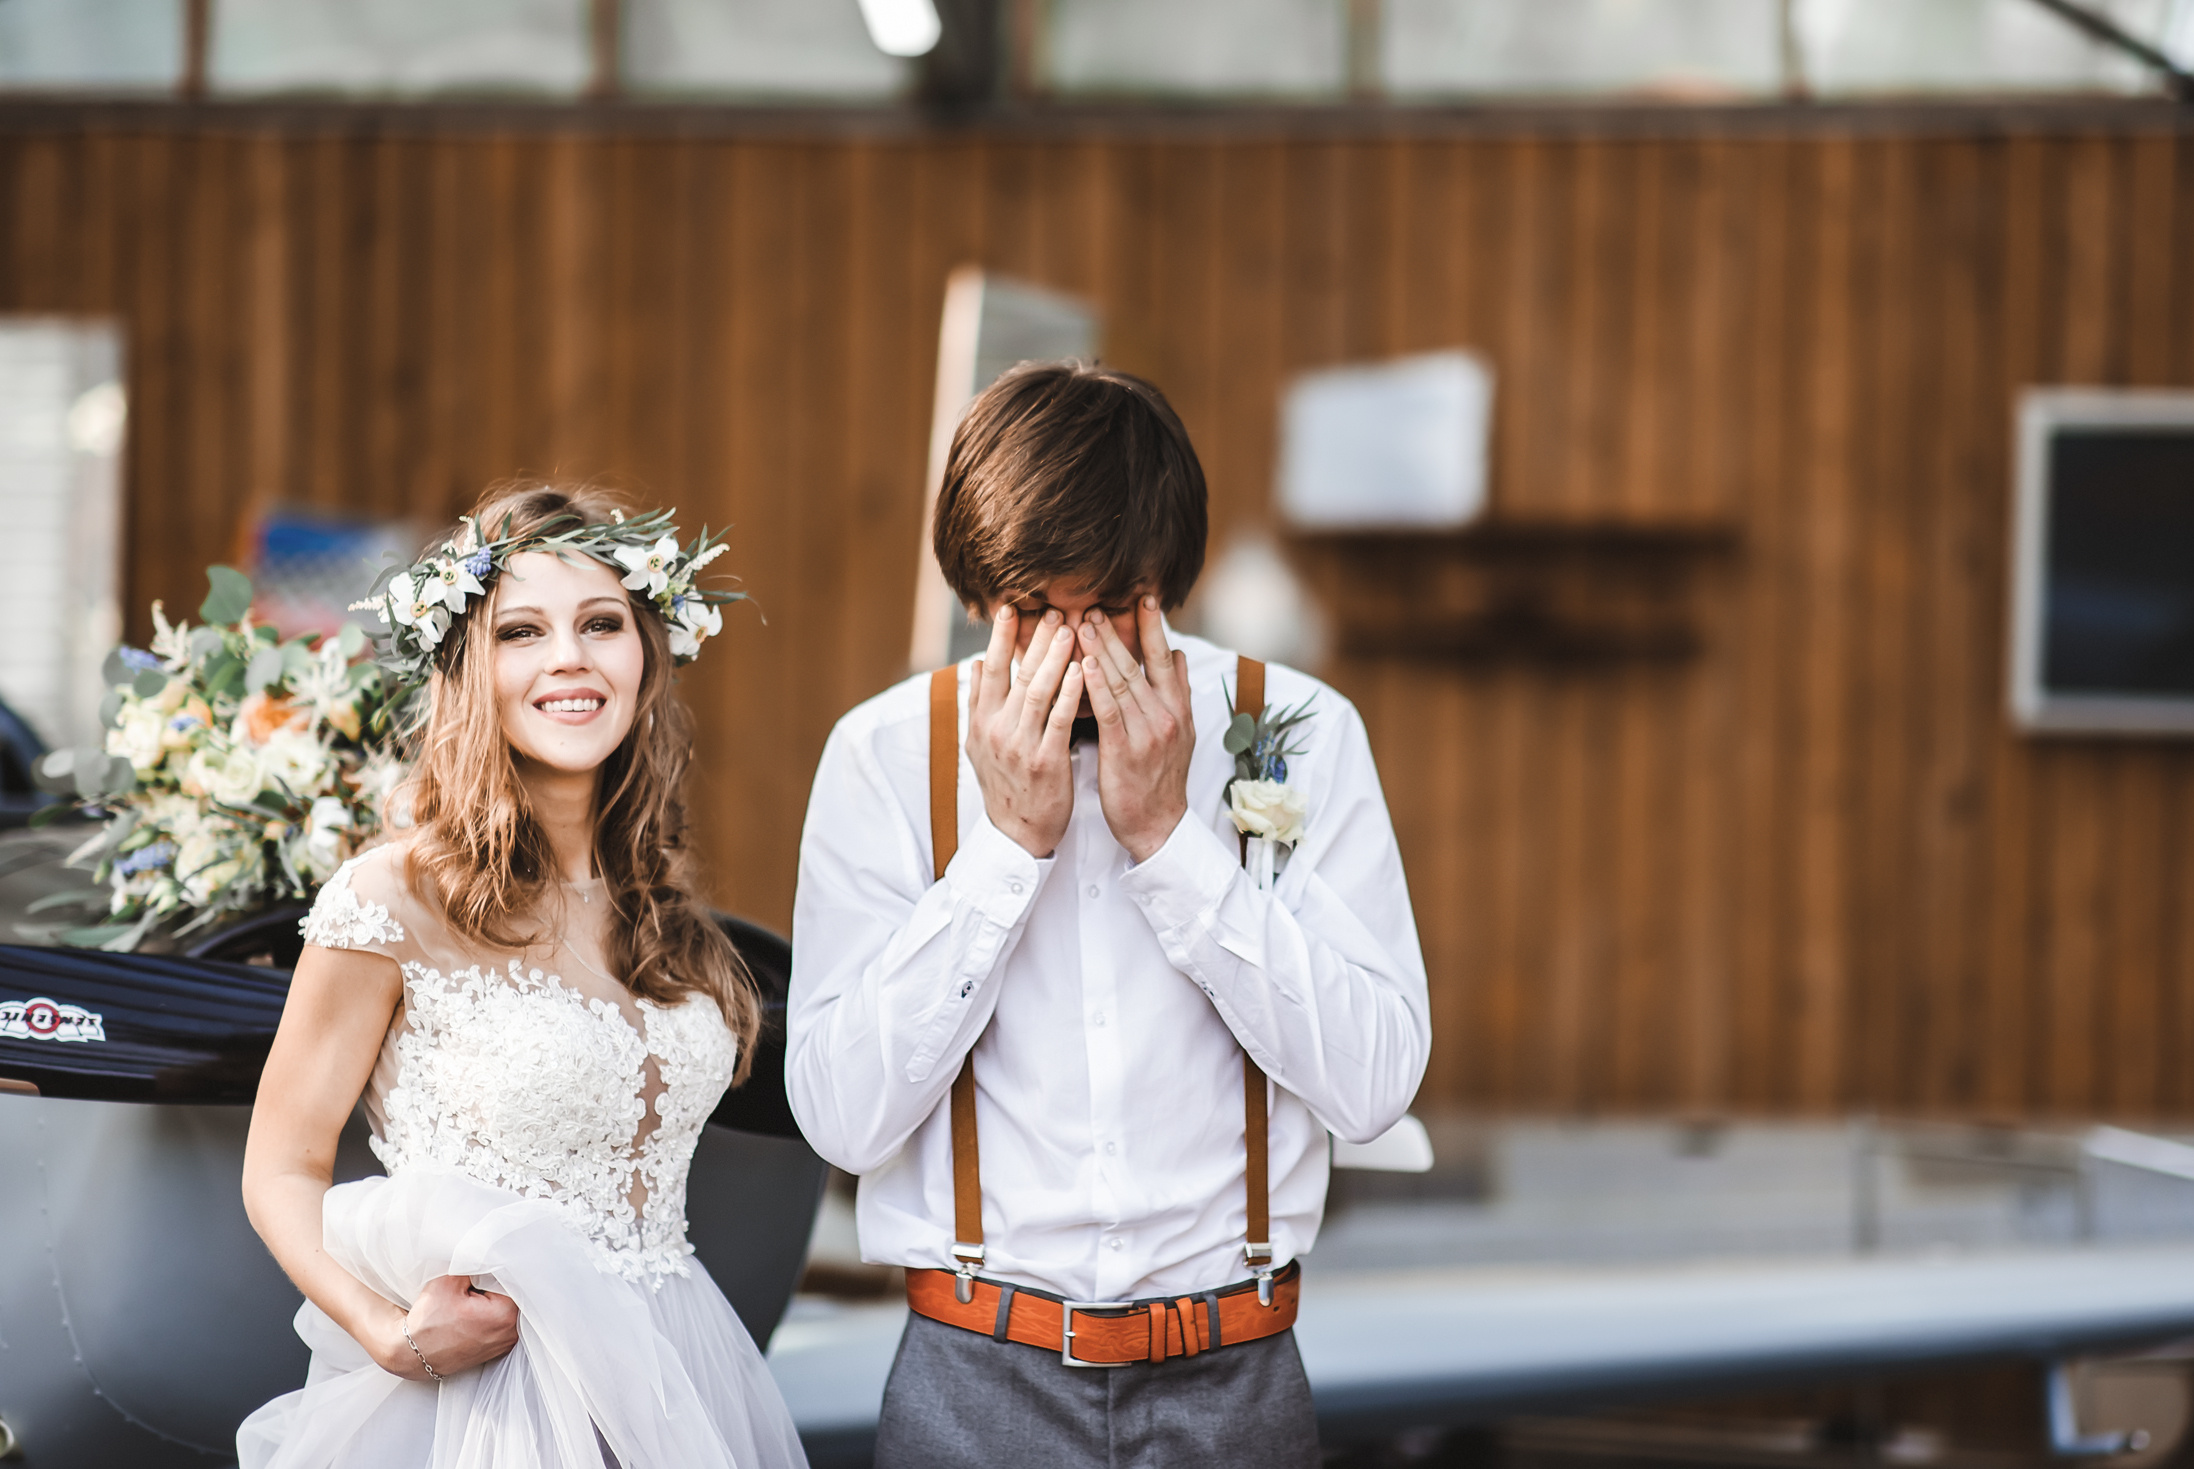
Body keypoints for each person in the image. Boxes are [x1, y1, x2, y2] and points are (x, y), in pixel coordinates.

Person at [788, 362, 1431, 1468]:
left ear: (1166, 582)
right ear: (980, 592)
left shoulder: (1293, 730)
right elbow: (842, 1119)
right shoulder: (885, 754)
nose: (1076, 652)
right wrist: (1005, 851)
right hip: (973, 1377)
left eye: (1112, 610)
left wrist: (1175, 845)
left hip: (1235, 1378)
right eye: (1036, 611)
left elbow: (1373, 1084)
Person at [237, 484, 807, 1469]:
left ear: (646, 653)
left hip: (670, 1369)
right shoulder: (391, 898)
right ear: (470, 663)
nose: (569, 658)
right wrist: (386, 1330)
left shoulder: (660, 907)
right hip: (484, 1401)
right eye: (522, 631)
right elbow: (280, 1165)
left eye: (601, 623)